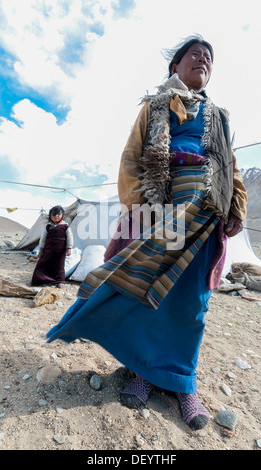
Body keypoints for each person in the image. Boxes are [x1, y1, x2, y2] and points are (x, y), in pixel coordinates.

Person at [46, 35, 247, 431]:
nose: (203, 60)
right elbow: (132, 158)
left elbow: (230, 165)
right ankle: (145, 372)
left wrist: (236, 205)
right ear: (176, 66)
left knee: (192, 299)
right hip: (162, 211)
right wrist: (143, 209)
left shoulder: (219, 117)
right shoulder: (155, 106)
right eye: (194, 54)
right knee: (151, 289)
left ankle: (182, 383)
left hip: (207, 210)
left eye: (208, 58)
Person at [31, 205, 73, 288]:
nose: (56, 216)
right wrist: (41, 249)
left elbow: (70, 238)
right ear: (50, 216)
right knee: (43, 264)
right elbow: (43, 238)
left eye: (58, 214)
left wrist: (69, 248)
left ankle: (60, 281)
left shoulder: (66, 227)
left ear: (63, 216)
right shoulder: (48, 227)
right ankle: (41, 280)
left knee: (59, 266)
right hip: (48, 250)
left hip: (60, 251)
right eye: (54, 214)